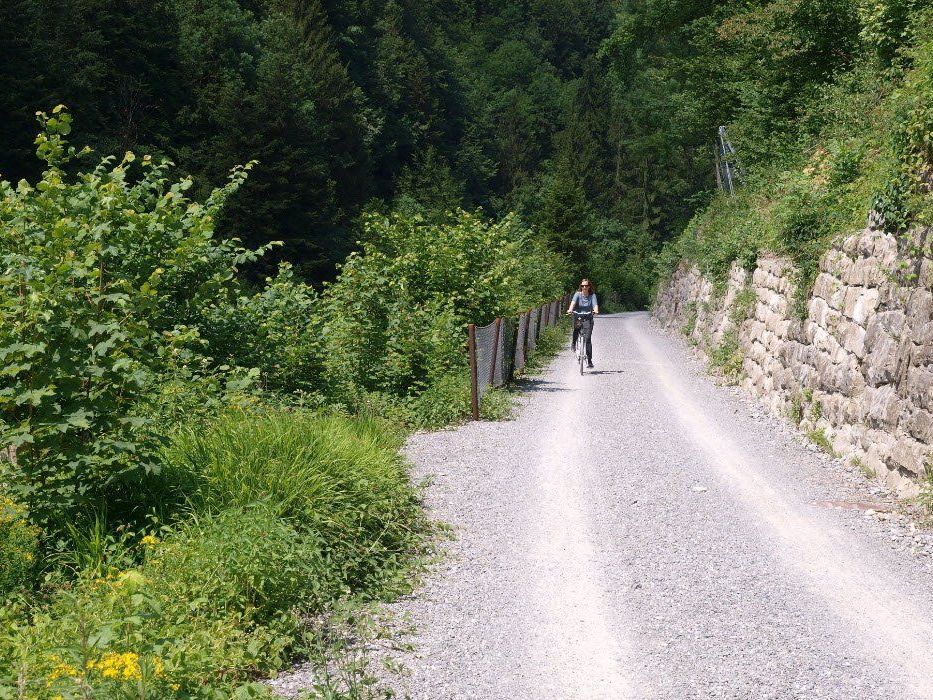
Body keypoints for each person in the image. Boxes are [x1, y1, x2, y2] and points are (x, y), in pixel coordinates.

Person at [567, 279, 599, 367]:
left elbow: (595, 305)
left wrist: (596, 310)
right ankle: (573, 343)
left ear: (589, 287)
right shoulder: (577, 294)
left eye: (586, 286)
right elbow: (573, 303)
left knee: (588, 339)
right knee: (576, 328)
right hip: (579, 317)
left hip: (588, 317)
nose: (584, 287)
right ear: (581, 287)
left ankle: (589, 361)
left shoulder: (592, 296)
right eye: (582, 286)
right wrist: (570, 309)